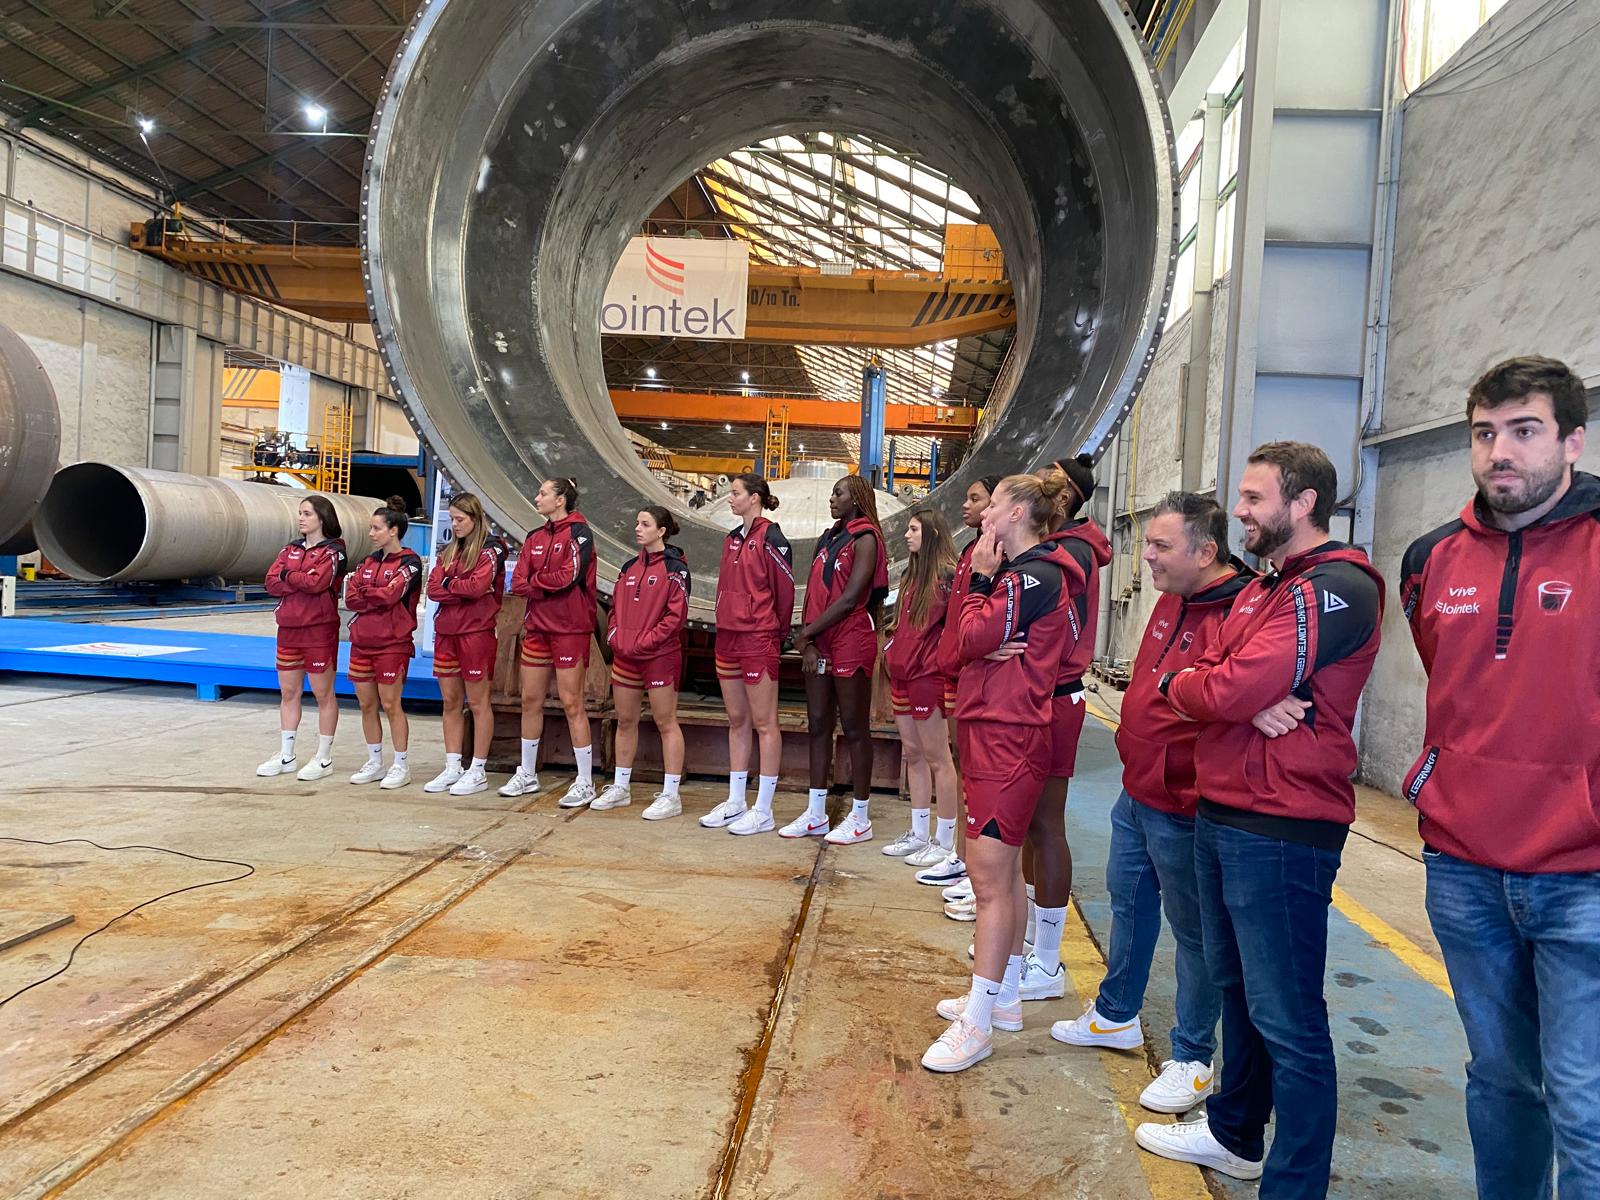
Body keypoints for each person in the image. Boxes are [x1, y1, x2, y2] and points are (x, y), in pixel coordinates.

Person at [1134, 442, 1383, 1198]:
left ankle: (1295, 1182)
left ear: (1302, 503)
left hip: (1282, 825)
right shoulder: (1264, 590)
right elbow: (1196, 678)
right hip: (1226, 809)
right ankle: (1236, 1136)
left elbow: (1234, 683)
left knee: (1289, 1018)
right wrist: (1211, 683)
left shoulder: (1336, 586)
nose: (1238, 510)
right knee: (1237, 991)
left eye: (1252, 498)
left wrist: (1221, 687)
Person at [1398, 356, 1598, 1200]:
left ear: (1573, 442)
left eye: (1524, 431)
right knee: (1500, 1081)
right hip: (1466, 868)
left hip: (1585, 875)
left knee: (1584, 1101)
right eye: (1485, 434)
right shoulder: (1430, 558)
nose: (1499, 452)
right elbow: (1452, 681)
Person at [1051, 492, 1250, 1114]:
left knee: (1194, 934)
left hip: (1186, 802)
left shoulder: (1241, 611)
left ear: (1206, 551)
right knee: (1128, 900)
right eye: (1148, 543)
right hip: (1138, 789)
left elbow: (1227, 697)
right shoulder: (1171, 599)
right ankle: (1116, 1013)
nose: (1148, 557)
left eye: (1161, 546)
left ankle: (1192, 1057)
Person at [922, 473, 1085, 1073]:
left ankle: (980, 1022)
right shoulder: (1011, 574)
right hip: (992, 727)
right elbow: (952, 648)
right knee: (1004, 873)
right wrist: (975, 622)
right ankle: (1004, 997)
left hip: (1010, 734)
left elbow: (971, 636)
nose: (983, 513)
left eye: (991, 503)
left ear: (1016, 512)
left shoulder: (1032, 575)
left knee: (988, 880)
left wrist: (982, 595)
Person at [1015, 454, 1111, 1001]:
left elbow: (1054, 636)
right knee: (1032, 823)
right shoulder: (1065, 550)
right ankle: (1032, 940)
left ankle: (1048, 962)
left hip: (1055, 697)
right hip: (1045, 694)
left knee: (1047, 823)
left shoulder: (1069, 557)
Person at [792, 475, 890, 844]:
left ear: (857, 498)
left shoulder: (866, 538)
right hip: (819, 640)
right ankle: (816, 813)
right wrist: (809, 641)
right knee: (817, 724)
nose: (832, 498)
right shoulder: (828, 537)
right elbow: (813, 592)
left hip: (850, 637)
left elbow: (851, 599)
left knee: (854, 728)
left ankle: (860, 816)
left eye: (839, 493)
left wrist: (807, 632)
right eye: (833, 492)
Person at [920, 474, 1004, 896]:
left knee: (976, 775)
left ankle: (979, 874)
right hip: (956, 668)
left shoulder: (998, 555)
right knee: (964, 764)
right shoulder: (973, 550)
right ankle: (962, 858)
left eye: (976, 499)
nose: (966, 506)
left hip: (976, 673)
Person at [702, 474, 794, 832]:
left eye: (735, 493)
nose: (729, 498)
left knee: (764, 722)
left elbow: (783, 592)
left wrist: (777, 632)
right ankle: (736, 799)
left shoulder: (772, 537)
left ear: (754, 498)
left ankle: (764, 807)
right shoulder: (731, 538)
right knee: (737, 720)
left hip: (759, 637)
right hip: (728, 637)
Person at [502, 477, 599, 807]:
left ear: (561, 500)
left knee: (572, 703)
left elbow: (570, 577)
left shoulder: (580, 533)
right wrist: (543, 585)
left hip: (570, 630)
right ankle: (527, 774)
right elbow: (517, 582)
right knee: (530, 700)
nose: (537, 496)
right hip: (538, 629)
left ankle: (585, 781)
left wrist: (537, 584)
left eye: (543, 493)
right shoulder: (534, 536)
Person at [881, 505, 960, 867]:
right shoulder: (911, 576)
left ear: (929, 533)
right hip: (902, 673)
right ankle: (918, 832)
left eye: (913, 529)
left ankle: (945, 841)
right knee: (913, 753)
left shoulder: (946, 575)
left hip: (927, 676)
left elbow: (956, 628)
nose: (907, 535)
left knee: (938, 758)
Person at [601, 506, 691, 820]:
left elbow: (675, 618)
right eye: (637, 523)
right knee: (625, 721)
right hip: (626, 656)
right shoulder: (628, 567)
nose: (637, 528)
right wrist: (615, 636)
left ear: (661, 530)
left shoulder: (675, 568)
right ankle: (621, 787)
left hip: (658, 657)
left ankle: (671, 795)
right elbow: (614, 608)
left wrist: (645, 642)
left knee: (666, 722)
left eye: (645, 524)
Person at [423, 493, 508, 797]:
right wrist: (453, 586)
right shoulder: (449, 551)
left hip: (476, 632)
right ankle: (452, 765)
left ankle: (478, 769)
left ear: (475, 518)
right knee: (450, 701)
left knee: (478, 702)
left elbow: (477, 587)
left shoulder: (491, 548)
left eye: (460, 519)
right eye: (452, 519)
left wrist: (450, 585)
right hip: (447, 632)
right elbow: (433, 588)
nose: (455, 524)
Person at [257, 496, 348, 780]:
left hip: (318, 631)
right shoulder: (290, 549)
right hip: (288, 629)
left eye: (307, 513)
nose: (301, 518)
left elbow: (317, 583)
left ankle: (323, 757)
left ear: (322, 517)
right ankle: (286, 754)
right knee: (288, 692)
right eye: (300, 513)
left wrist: (289, 576)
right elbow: (271, 581)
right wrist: (297, 575)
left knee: (323, 694)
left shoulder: (334, 551)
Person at [343, 498, 425, 790]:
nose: (371, 534)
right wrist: (372, 592)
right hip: (362, 642)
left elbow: (391, 595)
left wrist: (370, 592)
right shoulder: (368, 561)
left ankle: (400, 765)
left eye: (376, 528)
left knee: (391, 704)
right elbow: (350, 597)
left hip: (392, 644)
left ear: (393, 530)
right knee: (367, 704)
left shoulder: (410, 562)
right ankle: (375, 761)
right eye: (370, 528)